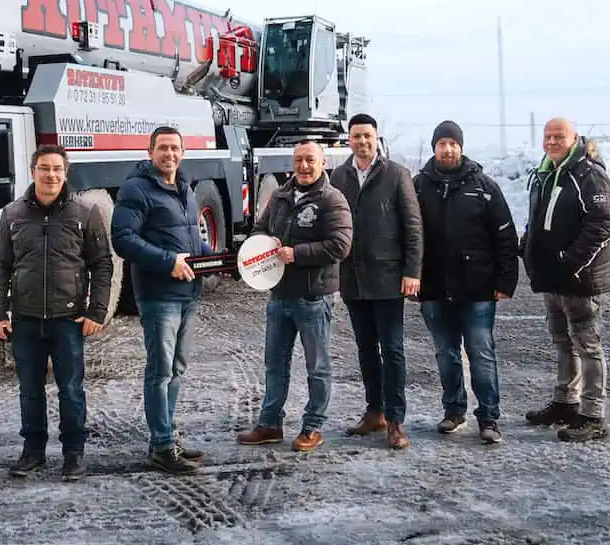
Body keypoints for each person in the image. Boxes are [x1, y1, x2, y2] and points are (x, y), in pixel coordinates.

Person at [0, 143, 114, 480]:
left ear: (65, 173)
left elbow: (102, 264)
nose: (51, 175)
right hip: (25, 319)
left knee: (71, 390)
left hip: (68, 320)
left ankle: (74, 454)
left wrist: (97, 312)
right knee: (30, 390)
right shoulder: (12, 214)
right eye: (44, 168)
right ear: (33, 172)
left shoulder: (85, 213)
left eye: (57, 169)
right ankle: (33, 453)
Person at [236, 139, 353, 452]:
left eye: (310, 160)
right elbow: (258, 230)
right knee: (275, 364)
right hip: (279, 295)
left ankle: (312, 426)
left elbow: (340, 245)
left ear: (322, 163)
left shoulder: (332, 199)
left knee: (318, 367)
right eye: (299, 159)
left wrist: (296, 253)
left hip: (313, 297)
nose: (304, 166)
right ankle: (270, 424)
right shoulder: (280, 196)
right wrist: (265, 243)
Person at [111, 126, 214, 475]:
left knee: (176, 369)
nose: (169, 154)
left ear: (183, 152)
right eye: (163, 148)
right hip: (159, 296)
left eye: (175, 148)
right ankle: (162, 446)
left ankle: (167, 437)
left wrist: (222, 260)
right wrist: (168, 262)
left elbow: (191, 240)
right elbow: (123, 238)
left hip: (188, 293)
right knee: (160, 371)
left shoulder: (184, 186)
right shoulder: (136, 188)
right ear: (150, 152)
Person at [412, 120, 519, 444]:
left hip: (477, 288)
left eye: (453, 144)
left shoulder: (484, 187)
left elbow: (505, 236)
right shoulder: (418, 187)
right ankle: (454, 410)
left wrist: (506, 280)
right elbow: (407, 236)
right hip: (433, 287)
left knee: (481, 353)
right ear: (434, 148)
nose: (447, 149)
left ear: (461, 147)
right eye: (442, 144)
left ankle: (488, 417)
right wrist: (411, 276)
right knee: (446, 354)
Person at [329, 113, 423, 450]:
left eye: (367, 136)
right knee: (366, 349)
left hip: (388, 278)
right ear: (349, 140)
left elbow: (413, 227)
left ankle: (396, 421)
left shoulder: (396, 174)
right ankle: (375, 412)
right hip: (353, 279)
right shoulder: (338, 176)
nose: (362, 142)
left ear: (376, 138)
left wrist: (412, 271)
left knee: (392, 349)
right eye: (356, 137)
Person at [520, 117, 610, 443]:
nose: (551, 142)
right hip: (553, 278)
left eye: (558, 136)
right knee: (563, 341)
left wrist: (570, 262)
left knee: (587, 344)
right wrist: (527, 247)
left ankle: (593, 415)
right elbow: (537, 220)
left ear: (574, 138)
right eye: (547, 136)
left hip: (579, 278)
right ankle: (566, 401)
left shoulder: (589, 175)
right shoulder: (545, 172)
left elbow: (602, 224)